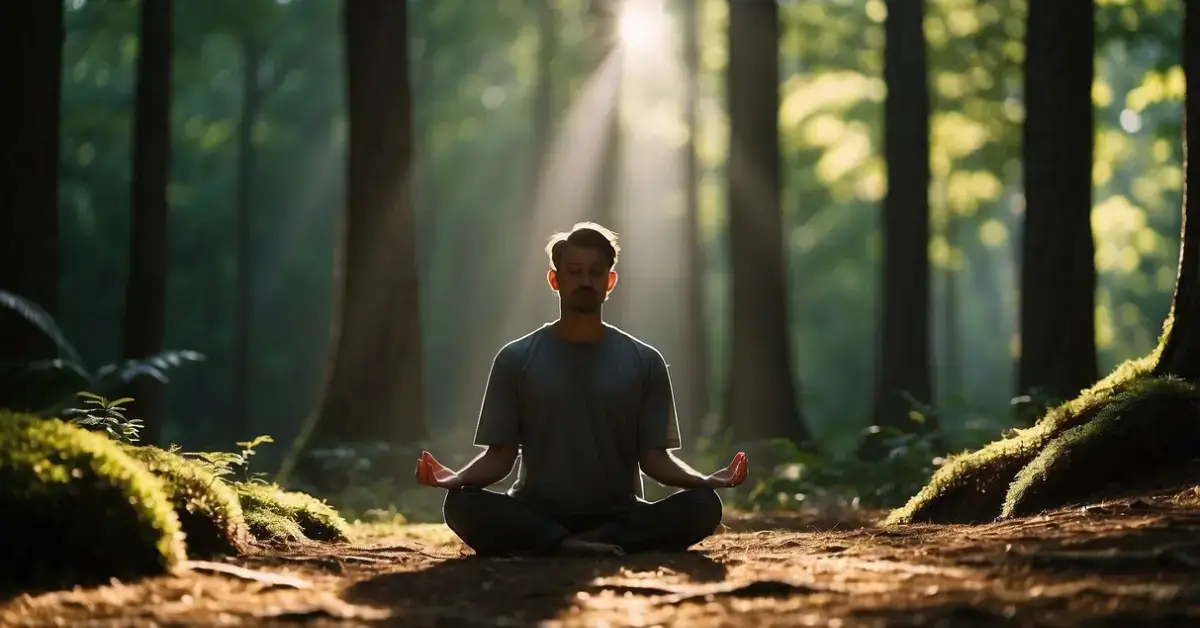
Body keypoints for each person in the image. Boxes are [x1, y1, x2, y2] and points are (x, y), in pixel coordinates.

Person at [414, 222, 749, 557]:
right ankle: (566, 542)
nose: (585, 281)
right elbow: (499, 457)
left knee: (704, 505)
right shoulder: (516, 358)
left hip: (620, 513)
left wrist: (706, 481)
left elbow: (654, 459)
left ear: (609, 282)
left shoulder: (644, 360)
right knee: (461, 503)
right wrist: (455, 480)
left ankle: (589, 540)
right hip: (535, 512)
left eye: (595, 272)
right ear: (555, 280)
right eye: (574, 272)